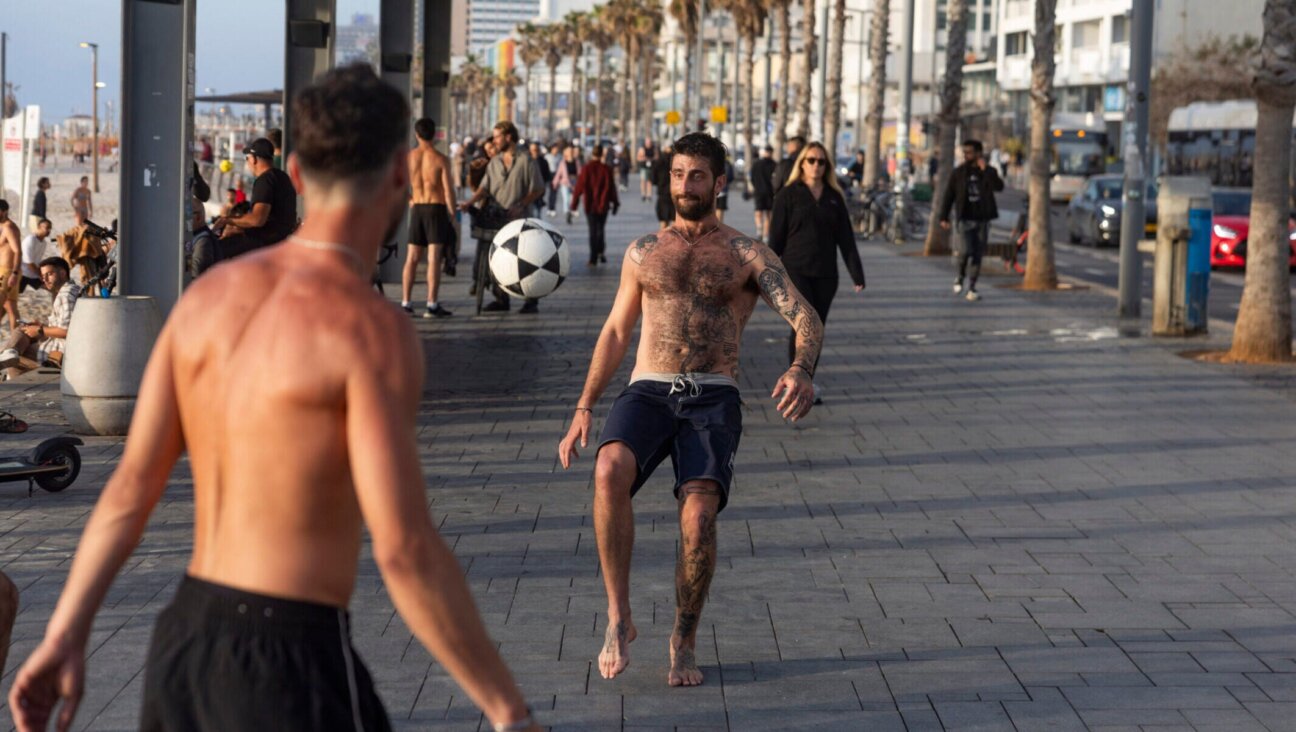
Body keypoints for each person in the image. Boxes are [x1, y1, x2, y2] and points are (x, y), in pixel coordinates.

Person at [7, 63, 540, 732]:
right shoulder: (369, 328)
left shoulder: (207, 301)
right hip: (293, 655)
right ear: (402, 174)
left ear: (293, 167)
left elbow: (128, 492)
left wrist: (64, 635)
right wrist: (508, 709)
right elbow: (403, 548)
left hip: (185, 646)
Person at [556, 132, 823, 688]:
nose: (685, 186)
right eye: (677, 175)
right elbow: (615, 331)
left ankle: (684, 637)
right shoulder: (643, 252)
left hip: (712, 394)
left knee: (698, 520)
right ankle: (619, 617)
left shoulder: (747, 254)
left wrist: (800, 369)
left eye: (696, 176)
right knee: (607, 471)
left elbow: (805, 317)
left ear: (719, 183)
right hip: (648, 387)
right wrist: (585, 405)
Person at [767, 142, 866, 404]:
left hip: (826, 274)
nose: (816, 166)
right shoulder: (788, 195)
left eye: (821, 162)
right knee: (803, 325)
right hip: (795, 271)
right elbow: (775, 239)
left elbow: (846, 239)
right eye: (811, 160)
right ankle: (795, 381)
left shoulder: (834, 196)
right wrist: (763, 274)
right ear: (801, 163)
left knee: (816, 329)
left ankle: (807, 379)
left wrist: (857, 274)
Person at [459, 121, 545, 314]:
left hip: (519, 221)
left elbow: (538, 188)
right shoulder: (495, 162)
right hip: (497, 220)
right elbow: (484, 188)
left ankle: (531, 301)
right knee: (497, 259)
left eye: (497, 136)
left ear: (508, 137)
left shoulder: (526, 160)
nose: (494, 140)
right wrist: (469, 202)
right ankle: (501, 299)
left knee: (524, 261)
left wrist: (521, 204)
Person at [402, 118, 458, 319]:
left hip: (417, 207)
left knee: (412, 258)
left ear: (417, 135)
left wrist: (410, 199)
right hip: (436, 208)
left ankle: (406, 303)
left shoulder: (409, 158)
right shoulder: (441, 159)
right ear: (434, 135)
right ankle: (431, 304)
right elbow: (448, 190)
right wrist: (453, 213)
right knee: (434, 259)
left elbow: (398, 185)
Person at [938, 139, 1004, 302]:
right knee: (965, 251)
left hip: (982, 219)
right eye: (964, 152)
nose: (966, 155)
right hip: (965, 219)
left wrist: (986, 170)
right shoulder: (959, 172)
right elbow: (949, 195)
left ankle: (972, 287)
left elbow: (999, 187)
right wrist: (944, 216)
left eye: (969, 152)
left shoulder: (988, 171)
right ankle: (960, 275)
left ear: (978, 153)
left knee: (977, 255)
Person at [213, 137, 299, 261]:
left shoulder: (264, 180)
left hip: (265, 245)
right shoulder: (283, 177)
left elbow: (258, 219)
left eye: (247, 158)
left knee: (216, 249)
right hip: (281, 240)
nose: (247, 162)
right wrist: (240, 226)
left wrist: (227, 220)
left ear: (253, 159)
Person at [0, 256, 80, 379]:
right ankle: (10, 353)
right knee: (23, 330)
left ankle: (15, 374)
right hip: (60, 346)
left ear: (63, 273)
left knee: (17, 359)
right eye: (43, 276)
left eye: (50, 274)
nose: (45, 280)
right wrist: (40, 327)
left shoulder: (66, 295)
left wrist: (40, 330)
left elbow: (67, 331)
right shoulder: (73, 290)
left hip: (60, 353)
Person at [571, 145, 620, 266]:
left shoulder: (586, 169)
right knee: (601, 229)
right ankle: (601, 253)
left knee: (593, 231)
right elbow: (611, 188)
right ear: (601, 154)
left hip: (590, 205)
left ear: (592, 154)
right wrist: (615, 203)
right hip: (603, 205)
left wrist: (574, 204)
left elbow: (579, 188)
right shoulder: (606, 169)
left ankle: (593, 258)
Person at [0, 201, 21, 332]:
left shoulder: (9, 228)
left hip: (7, 272)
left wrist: (14, 273)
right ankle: (16, 338)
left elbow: (18, 251)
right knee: (11, 307)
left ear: (4, 211)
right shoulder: (2, 226)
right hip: (5, 271)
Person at [749, 146, 776, 241]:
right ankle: (765, 236)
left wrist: (755, 186)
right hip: (770, 193)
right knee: (768, 214)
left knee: (758, 212)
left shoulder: (756, 164)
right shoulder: (774, 165)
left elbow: (751, 178)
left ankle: (759, 230)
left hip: (759, 191)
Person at [189, 199, 218, 279]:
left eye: (187, 215)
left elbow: (194, 273)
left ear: (198, 217)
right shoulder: (199, 236)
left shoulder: (203, 241)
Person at [552, 145, 581, 225]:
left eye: (571, 151)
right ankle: (567, 213)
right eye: (569, 151)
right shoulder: (563, 163)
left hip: (574, 182)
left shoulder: (576, 161)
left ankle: (570, 212)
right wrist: (555, 183)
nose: (571, 153)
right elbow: (558, 173)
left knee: (572, 199)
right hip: (565, 183)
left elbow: (580, 173)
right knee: (566, 199)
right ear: (566, 153)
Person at [20, 218, 51, 292]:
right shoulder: (30, 240)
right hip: (22, 273)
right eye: (46, 228)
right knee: (11, 297)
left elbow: (37, 261)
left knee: (51, 288)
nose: (48, 231)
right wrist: (40, 274)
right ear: (39, 227)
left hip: (33, 273)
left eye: (50, 228)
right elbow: (29, 262)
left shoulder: (44, 243)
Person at [652, 144, 675, 230]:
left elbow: (653, 180)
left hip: (662, 194)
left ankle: (664, 243)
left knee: (663, 223)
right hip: (674, 194)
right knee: (675, 223)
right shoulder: (675, 162)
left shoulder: (658, 162)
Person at [530, 142, 553, 219]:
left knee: (537, 214)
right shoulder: (526, 162)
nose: (534, 152)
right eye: (533, 150)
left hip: (538, 192)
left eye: (536, 150)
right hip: (527, 193)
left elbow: (547, 176)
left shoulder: (543, 161)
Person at [714, 157, 734, 223]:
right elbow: (731, 177)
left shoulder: (712, 162)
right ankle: (719, 225)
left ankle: (714, 226)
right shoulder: (727, 164)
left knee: (713, 209)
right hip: (723, 190)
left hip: (713, 189)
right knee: (720, 209)